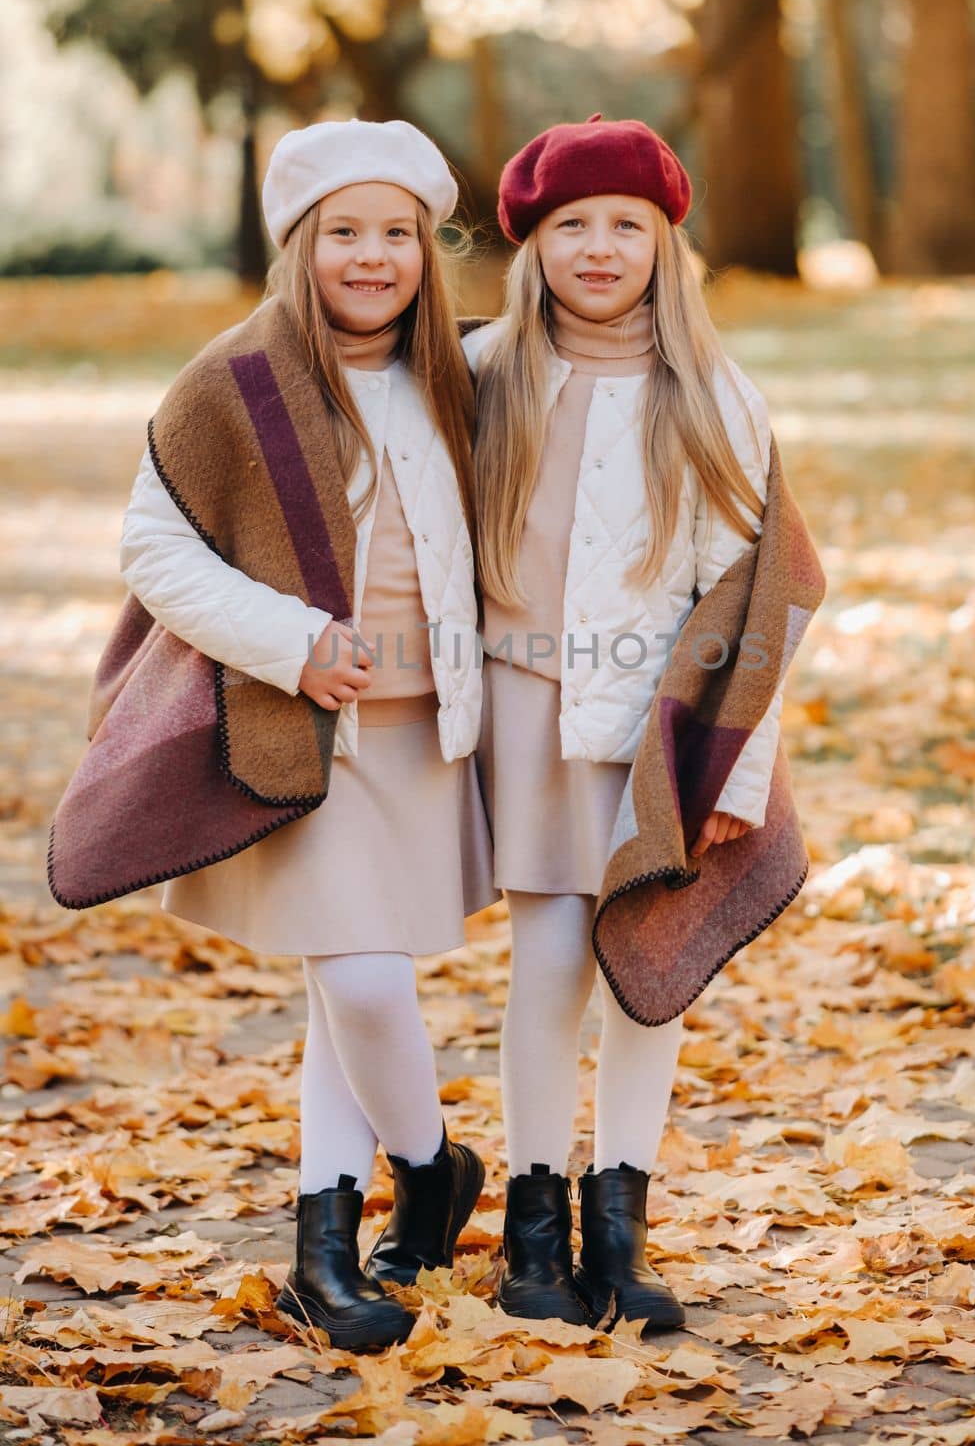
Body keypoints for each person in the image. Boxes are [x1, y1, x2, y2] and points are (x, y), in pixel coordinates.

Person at [117, 119, 494, 1349]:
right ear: (302, 245)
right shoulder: (233, 383)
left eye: (396, 234)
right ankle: (428, 1171)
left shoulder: (461, 377)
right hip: (304, 724)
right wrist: (288, 637)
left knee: (348, 986)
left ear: (427, 252)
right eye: (345, 233)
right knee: (361, 976)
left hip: (420, 731)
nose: (371, 257)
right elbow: (155, 550)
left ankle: (327, 1246)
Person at [467, 115, 778, 1329]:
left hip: (659, 728)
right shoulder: (482, 371)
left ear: (665, 243)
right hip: (530, 715)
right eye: (570, 226)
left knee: (652, 975)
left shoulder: (711, 393)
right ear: (533, 243)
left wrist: (722, 767)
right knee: (548, 967)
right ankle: (531, 1237)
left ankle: (620, 1229)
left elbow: (749, 592)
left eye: (625, 227)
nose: (598, 249)